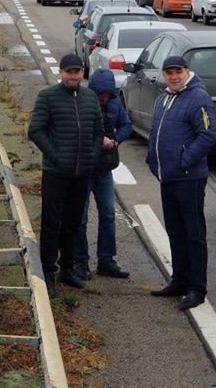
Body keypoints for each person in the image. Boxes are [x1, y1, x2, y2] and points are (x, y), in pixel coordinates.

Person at [28, 54, 104, 298]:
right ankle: (47, 273)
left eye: (77, 71)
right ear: (61, 73)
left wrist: (91, 157)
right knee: (52, 224)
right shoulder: (48, 97)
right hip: (55, 174)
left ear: (82, 73)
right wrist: (56, 157)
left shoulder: (90, 98)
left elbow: (98, 130)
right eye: (69, 72)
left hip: (81, 174)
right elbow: (36, 130)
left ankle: (67, 269)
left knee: (73, 223)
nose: (74, 76)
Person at [147, 55, 216, 311]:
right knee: (175, 232)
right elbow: (155, 131)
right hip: (168, 177)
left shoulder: (198, 98)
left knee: (193, 234)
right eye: (169, 73)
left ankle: (196, 288)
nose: (173, 77)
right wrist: (152, 161)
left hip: (189, 178)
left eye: (178, 72)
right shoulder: (164, 98)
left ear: (187, 72)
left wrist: (184, 161)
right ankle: (179, 280)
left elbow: (208, 135)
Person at [74, 69, 133, 281]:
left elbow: (127, 125)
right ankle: (80, 260)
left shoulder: (115, 105)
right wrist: (99, 141)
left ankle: (106, 260)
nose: (104, 99)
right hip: (84, 169)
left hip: (105, 170)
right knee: (80, 218)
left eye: (107, 95)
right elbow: (77, 130)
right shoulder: (83, 103)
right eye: (101, 94)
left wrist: (115, 139)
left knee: (108, 215)